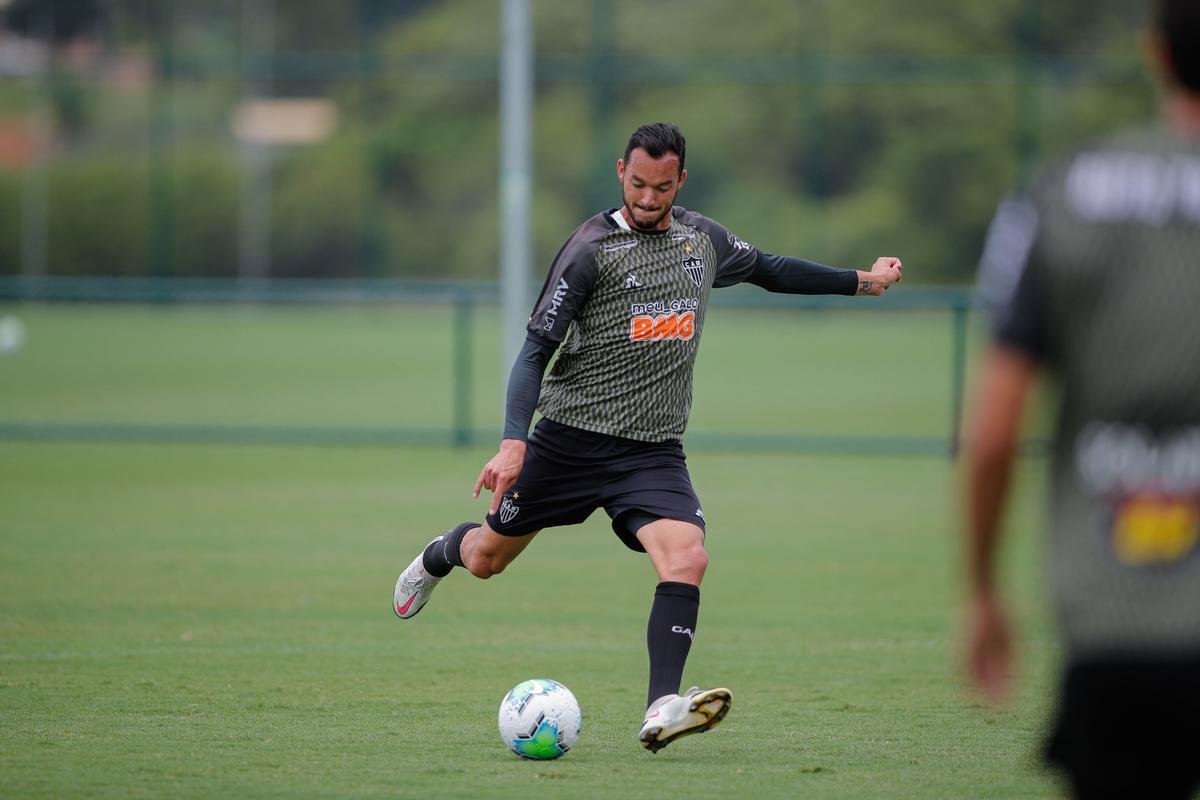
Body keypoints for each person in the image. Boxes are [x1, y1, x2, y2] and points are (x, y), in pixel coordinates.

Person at [395, 122, 903, 752]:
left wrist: (862, 280)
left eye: (661, 187)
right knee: (485, 561)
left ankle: (664, 703)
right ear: (621, 173)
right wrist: (512, 440)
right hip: (567, 442)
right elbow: (534, 353)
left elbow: (771, 269)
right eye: (637, 183)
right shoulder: (590, 249)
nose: (647, 197)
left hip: (651, 449)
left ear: (680, 181)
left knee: (687, 557)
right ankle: (439, 553)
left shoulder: (701, 240)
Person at [963, 2, 1200, 796]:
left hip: (1118, 622)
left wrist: (984, 591)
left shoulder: (1064, 192)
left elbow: (996, 432)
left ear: (1155, 52)